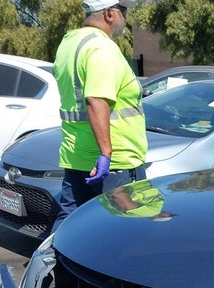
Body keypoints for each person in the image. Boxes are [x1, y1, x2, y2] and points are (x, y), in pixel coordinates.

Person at [52, 0, 146, 231]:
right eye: (123, 11)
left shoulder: (69, 43)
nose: (126, 18)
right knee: (124, 231)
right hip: (115, 164)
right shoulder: (103, 48)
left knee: (71, 227)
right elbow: (96, 100)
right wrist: (106, 153)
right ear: (109, 14)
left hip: (76, 156)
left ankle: (52, 265)